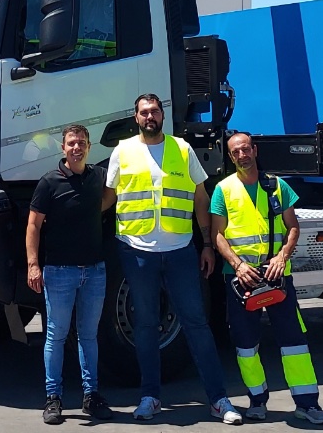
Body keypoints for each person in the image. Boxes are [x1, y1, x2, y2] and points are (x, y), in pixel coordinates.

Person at [102, 93, 243, 425]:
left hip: (180, 250)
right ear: (135, 117)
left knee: (197, 325)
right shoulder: (122, 151)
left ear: (162, 115)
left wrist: (207, 243)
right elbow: (107, 198)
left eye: (154, 111)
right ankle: (150, 397)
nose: (149, 117)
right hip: (137, 253)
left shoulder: (182, 148)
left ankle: (219, 399)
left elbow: (199, 196)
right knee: (146, 326)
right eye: (143, 112)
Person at [210, 131, 323, 425]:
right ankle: (257, 401)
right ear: (230, 157)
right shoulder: (222, 190)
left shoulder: (278, 186)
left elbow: (293, 227)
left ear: (254, 150)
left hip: (278, 276)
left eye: (245, 149)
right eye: (235, 152)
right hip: (241, 280)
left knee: (294, 342)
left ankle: (307, 404)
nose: (242, 155)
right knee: (246, 344)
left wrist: (282, 257)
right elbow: (217, 234)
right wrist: (237, 265)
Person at [28, 124, 116, 424]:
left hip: (94, 271)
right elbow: (33, 225)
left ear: (89, 147)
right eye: (71, 143)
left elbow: (109, 198)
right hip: (59, 273)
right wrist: (33, 264)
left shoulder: (96, 177)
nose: (76, 148)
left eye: (82, 143)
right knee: (56, 335)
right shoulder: (49, 182)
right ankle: (53, 399)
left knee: (89, 336)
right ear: (62, 148)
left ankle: (91, 396)